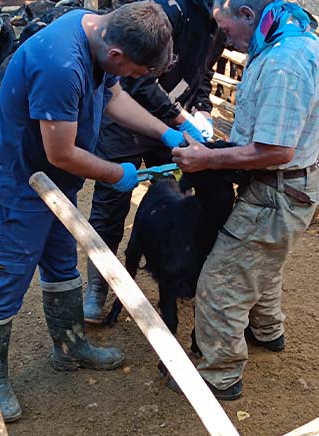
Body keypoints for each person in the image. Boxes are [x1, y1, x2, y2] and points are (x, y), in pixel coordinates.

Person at [0, 1, 187, 422]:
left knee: (61, 263)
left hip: (52, 182)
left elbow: (113, 96)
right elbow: (62, 152)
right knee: (9, 274)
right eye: (137, 71)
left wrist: (168, 131)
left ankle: (69, 347)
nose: (133, 79)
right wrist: (116, 173)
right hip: (16, 182)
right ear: (117, 55)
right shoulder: (61, 66)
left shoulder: (94, 29)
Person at [168, 0, 319, 400]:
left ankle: (219, 374)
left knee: (221, 282)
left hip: (277, 186)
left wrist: (207, 159)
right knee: (262, 260)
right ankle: (267, 330)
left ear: (248, 15)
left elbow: (275, 151)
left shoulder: (283, 63)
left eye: (227, 29)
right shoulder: (283, 35)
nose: (224, 38)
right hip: (284, 185)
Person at [82, 0, 226, 322]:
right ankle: (98, 285)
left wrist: (201, 107)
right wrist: (179, 117)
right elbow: (137, 77)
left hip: (176, 122)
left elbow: (204, 72)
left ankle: (177, 269)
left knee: (175, 199)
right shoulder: (169, 12)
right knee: (110, 204)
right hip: (129, 120)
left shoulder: (220, 23)